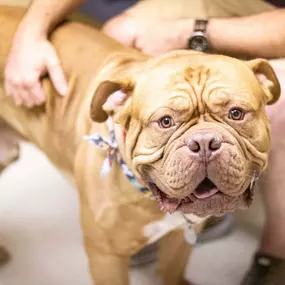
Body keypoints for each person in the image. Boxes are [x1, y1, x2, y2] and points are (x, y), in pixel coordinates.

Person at [4, 0, 285, 284]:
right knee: (111, 244)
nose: (205, 145)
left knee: (186, 194)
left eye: (235, 113)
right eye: (166, 121)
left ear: (265, 85)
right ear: (116, 103)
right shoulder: (117, 109)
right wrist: (30, 35)